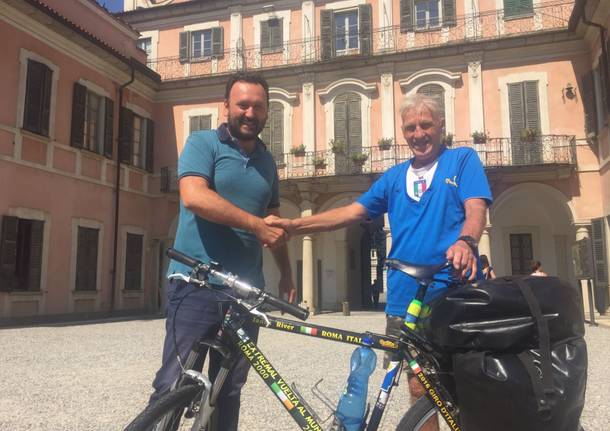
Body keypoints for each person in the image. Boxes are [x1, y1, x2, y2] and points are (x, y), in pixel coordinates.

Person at [267, 94, 492, 430]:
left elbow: (476, 208)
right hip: (404, 296)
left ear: (441, 125)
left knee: (467, 382)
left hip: (453, 290)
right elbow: (350, 213)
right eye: (411, 127)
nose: (418, 134)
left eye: (426, 125)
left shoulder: (461, 160)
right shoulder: (393, 177)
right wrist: (296, 226)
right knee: (419, 386)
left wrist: (466, 240)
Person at [148, 72, 295, 431]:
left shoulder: (267, 162)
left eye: (258, 106)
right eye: (242, 104)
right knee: (175, 384)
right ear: (225, 106)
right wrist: (255, 224)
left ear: (266, 113)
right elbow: (194, 196)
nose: (250, 112)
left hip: (246, 291)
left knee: (228, 390)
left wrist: (287, 272)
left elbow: (271, 221)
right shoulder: (202, 142)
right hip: (197, 284)